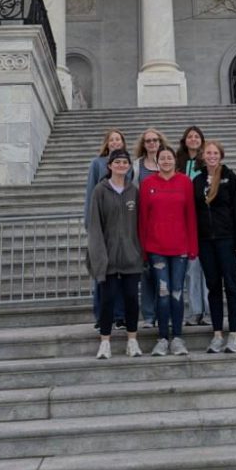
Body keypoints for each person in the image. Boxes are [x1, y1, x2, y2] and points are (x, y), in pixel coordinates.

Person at [138, 145, 198, 356]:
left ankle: (178, 338)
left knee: (177, 292)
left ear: (175, 161)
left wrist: (193, 247)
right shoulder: (147, 184)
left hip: (180, 248)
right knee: (163, 293)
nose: (165, 161)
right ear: (157, 162)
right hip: (156, 248)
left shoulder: (185, 182)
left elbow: (191, 215)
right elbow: (142, 219)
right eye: (162, 158)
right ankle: (163, 337)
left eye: (169, 158)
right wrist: (143, 250)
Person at [86, 148, 143, 359]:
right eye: (117, 162)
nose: (121, 165)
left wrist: (138, 251)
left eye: (124, 162)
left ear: (129, 166)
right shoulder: (100, 191)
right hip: (108, 257)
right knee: (108, 299)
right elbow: (95, 227)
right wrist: (99, 258)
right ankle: (105, 342)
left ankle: (132, 340)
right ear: (109, 166)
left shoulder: (133, 191)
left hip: (130, 256)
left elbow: (139, 224)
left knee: (130, 299)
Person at [193, 140, 236, 354]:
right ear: (203, 156)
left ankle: (233, 334)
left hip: (227, 240)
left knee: (231, 287)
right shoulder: (196, 181)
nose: (212, 156)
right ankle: (216, 334)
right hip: (205, 241)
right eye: (208, 153)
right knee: (213, 287)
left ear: (220, 155)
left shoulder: (230, 178)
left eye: (215, 153)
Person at [85, 129, 130, 328]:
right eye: (111, 140)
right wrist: (90, 222)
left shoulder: (127, 163)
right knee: (101, 271)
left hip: (123, 225)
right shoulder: (98, 164)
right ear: (107, 143)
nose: (115, 142)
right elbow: (90, 192)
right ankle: (102, 315)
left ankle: (120, 314)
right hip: (102, 224)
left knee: (121, 272)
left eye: (118, 139)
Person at [132, 127, 168, 326]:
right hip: (144, 223)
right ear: (143, 145)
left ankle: (165, 312)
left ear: (160, 142)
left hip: (166, 223)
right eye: (148, 141)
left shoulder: (167, 161)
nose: (152, 143)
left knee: (165, 270)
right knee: (146, 271)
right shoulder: (137, 166)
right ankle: (148, 314)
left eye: (155, 140)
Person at [176, 125, 210, 326]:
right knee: (191, 269)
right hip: (184, 222)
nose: (194, 139)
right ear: (185, 140)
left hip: (203, 221)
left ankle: (207, 310)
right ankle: (195, 310)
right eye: (190, 136)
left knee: (207, 270)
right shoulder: (178, 161)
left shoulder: (207, 162)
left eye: (197, 136)